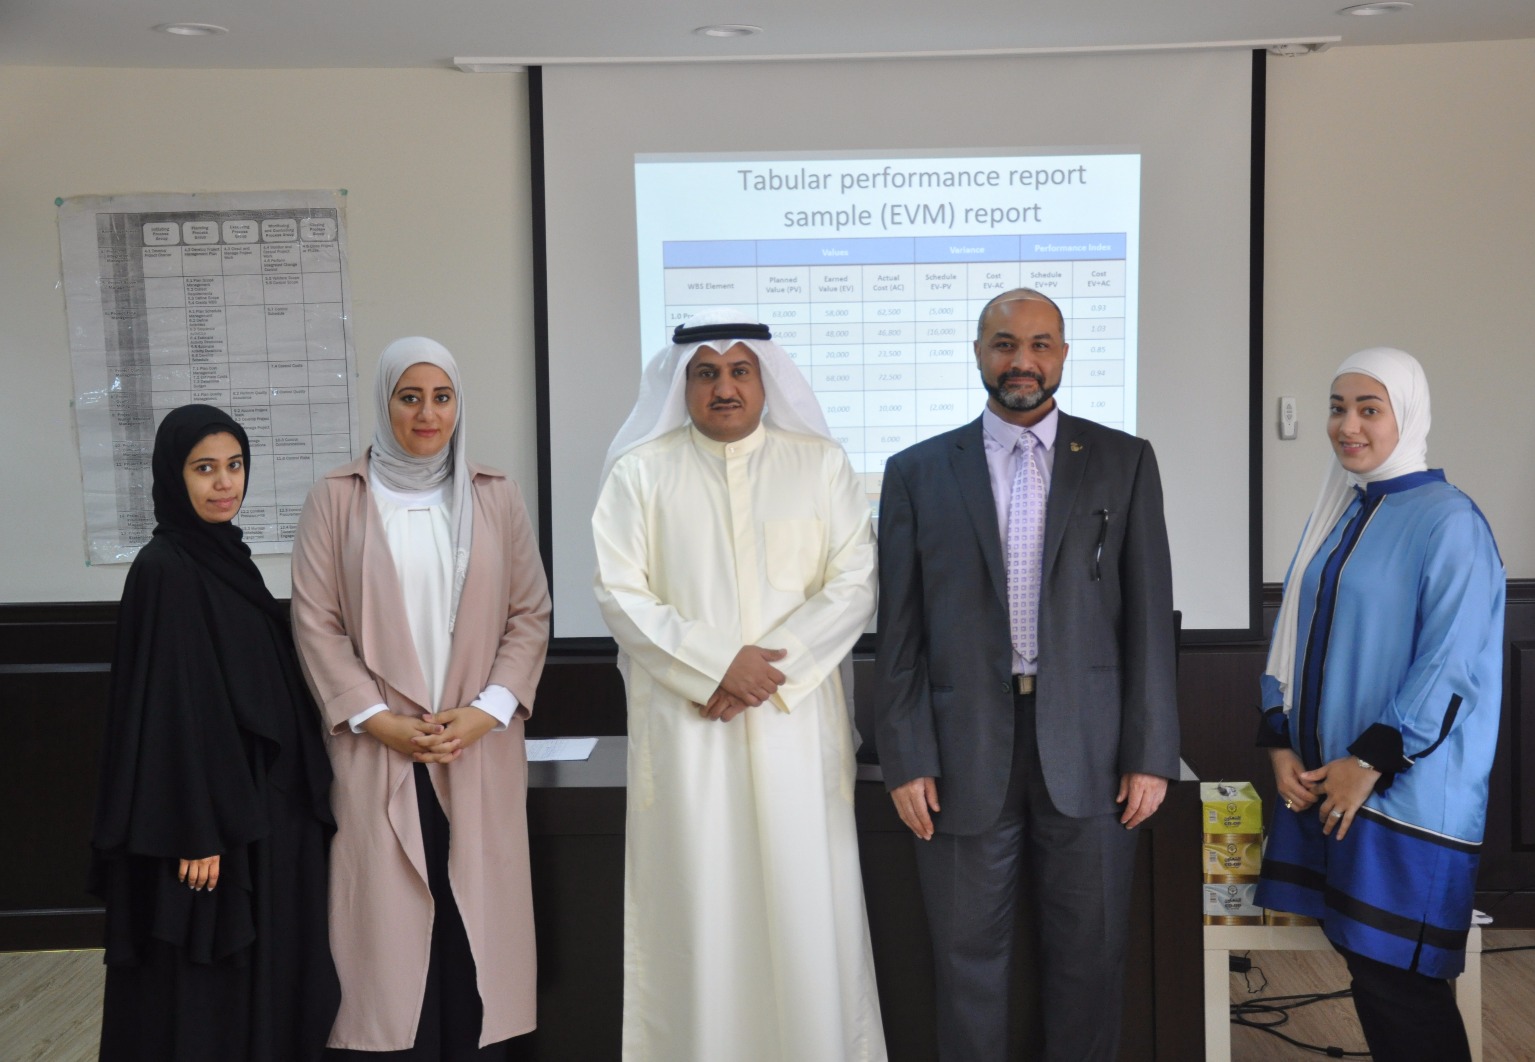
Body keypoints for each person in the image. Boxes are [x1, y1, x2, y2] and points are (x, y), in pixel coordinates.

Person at [874, 288, 1179, 1061]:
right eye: (1005, 344)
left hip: (1093, 750)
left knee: (1090, 961)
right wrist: (905, 757)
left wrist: (1151, 753)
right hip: (961, 751)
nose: (1023, 361)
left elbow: (1148, 618)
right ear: (979, 353)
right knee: (965, 965)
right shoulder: (915, 471)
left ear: (1064, 355)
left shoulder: (1123, 461)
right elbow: (899, 634)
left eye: (1041, 344)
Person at [592, 308, 886, 1062]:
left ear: (764, 380)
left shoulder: (820, 465)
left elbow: (855, 584)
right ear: (682, 384)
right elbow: (620, 593)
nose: (724, 387)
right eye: (706, 373)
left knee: (804, 912)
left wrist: (762, 670)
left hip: (796, 727)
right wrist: (718, 663)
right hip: (690, 730)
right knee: (702, 913)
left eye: (739, 371)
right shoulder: (640, 473)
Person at [291, 337, 551, 1059]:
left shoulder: (496, 495)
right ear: (385, 404)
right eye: (410, 398)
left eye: (442, 397)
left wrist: (487, 711)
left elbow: (529, 614)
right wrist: (378, 720)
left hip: (476, 747)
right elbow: (315, 622)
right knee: (389, 934)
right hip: (378, 749)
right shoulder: (336, 498)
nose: (427, 414)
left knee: (476, 930)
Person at [1255, 348, 1503, 1062]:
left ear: (1409, 416)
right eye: (1338, 408)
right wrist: (1279, 740)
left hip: (1405, 796)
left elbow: (1452, 664)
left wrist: (1368, 761)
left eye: (1370, 409)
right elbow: (1293, 635)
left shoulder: (1449, 521)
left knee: (1399, 980)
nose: (1348, 425)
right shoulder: (1344, 510)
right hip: (1331, 783)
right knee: (1371, 971)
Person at [90, 404, 339, 1061]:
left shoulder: (229, 559)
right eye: (204, 469)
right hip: (210, 828)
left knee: (265, 980)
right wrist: (195, 829)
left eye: (234, 466)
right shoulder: (163, 568)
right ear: (174, 476)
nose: (224, 483)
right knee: (205, 990)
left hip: (261, 812)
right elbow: (167, 712)